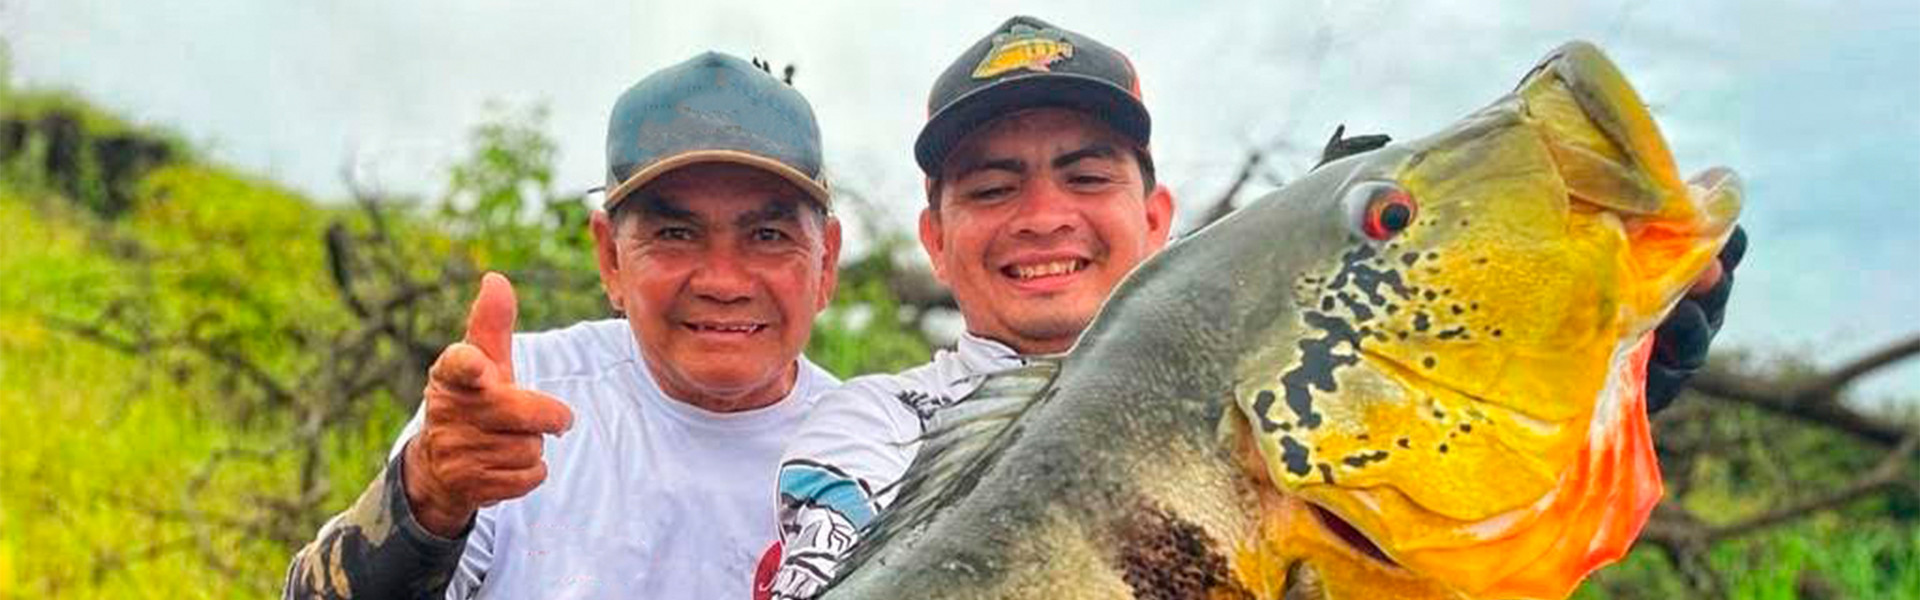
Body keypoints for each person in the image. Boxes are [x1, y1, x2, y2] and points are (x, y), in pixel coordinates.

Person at [760, 15, 1746, 599]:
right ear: (935, 240)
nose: (1043, 215)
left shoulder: (1299, 441)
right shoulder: (869, 432)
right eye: (991, 186)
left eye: (1083, 174)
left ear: (1155, 216)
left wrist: (1607, 385)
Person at [284, 50, 843, 599]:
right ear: (610, 258)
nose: (723, 281)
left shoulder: (872, 453)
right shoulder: (511, 408)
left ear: (826, 263)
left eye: (768, 236)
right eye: (676, 234)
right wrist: (427, 496)